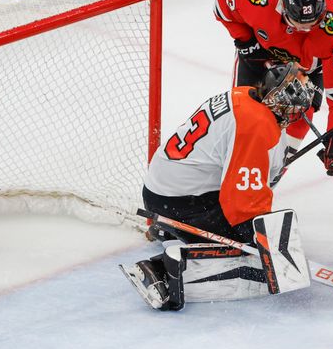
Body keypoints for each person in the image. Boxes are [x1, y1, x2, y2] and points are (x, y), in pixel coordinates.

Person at [120, 62, 316, 310]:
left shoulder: (242, 94)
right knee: (255, 260)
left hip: (163, 191)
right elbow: (242, 203)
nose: (296, 114)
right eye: (294, 108)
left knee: (253, 238)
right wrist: (258, 242)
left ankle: (170, 229)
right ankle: (160, 270)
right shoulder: (258, 125)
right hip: (183, 201)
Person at [213, 0, 333, 176]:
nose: (306, 29)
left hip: (307, 68)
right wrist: (246, 42)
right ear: (283, 6)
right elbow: (222, 6)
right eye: (298, 22)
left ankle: (266, 179)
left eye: (313, 22)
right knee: (245, 116)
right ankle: (232, 173)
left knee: (299, 116)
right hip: (261, 55)